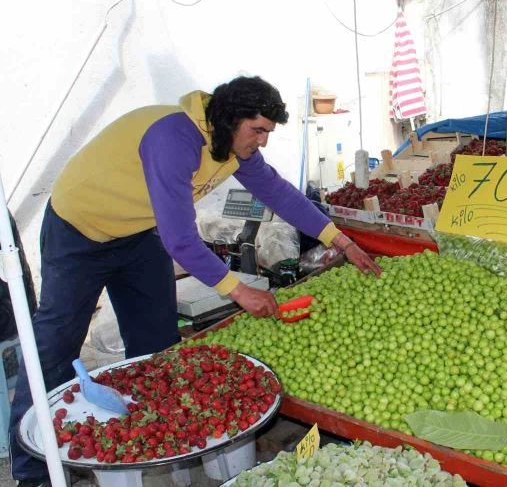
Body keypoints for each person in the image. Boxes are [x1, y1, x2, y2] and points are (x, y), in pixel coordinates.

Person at [9, 76, 381, 486]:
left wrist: (341, 241)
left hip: (137, 234)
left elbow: (278, 192)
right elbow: (180, 239)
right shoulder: (172, 138)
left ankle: (154, 442)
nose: (263, 141)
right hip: (80, 229)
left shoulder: (231, 146)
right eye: (258, 130)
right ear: (229, 119)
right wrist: (238, 291)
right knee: (54, 347)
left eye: (268, 132)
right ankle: (32, 473)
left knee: (158, 345)